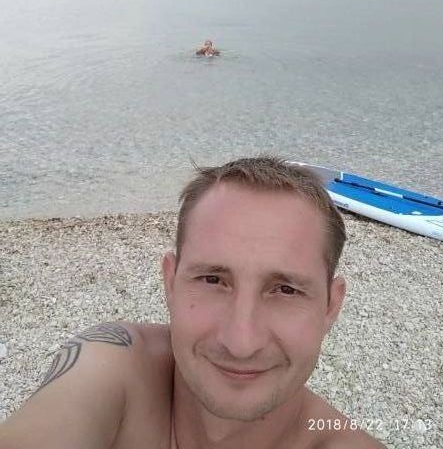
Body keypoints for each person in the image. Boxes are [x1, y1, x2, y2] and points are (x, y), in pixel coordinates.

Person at [0, 157, 385, 449]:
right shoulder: (115, 366)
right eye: (213, 280)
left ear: (331, 307)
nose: (241, 343)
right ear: (170, 283)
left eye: (285, 290)